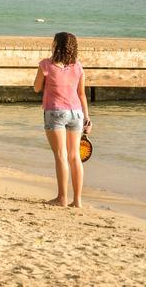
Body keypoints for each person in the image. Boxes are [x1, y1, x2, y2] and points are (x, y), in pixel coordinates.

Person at [34, 32, 91, 208]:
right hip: (77, 113)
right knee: (75, 157)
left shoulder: (46, 65)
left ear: (55, 45)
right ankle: (77, 201)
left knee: (61, 156)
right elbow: (81, 94)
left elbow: (36, 88)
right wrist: (87, 118)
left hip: (55, 112)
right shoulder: (78, 67)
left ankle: (62, 198)